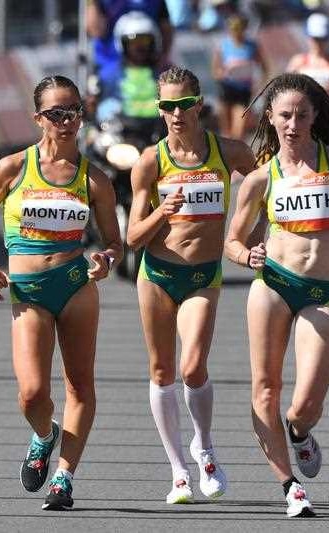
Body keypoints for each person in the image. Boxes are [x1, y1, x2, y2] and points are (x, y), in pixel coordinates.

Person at [224, 72, 329, 517]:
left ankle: (299, 431)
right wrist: (247, 256)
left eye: (300, 115)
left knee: (307, 400)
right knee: (266, 388)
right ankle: (289, 485)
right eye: (284, 116)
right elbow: (232, 241)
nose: (292, 124)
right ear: (271, 120)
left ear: (314, 116)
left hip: (321, 291)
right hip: (273, 284)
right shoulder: (260, 178)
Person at [0, 75, 122, 510]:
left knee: (80, 386)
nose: (67, 120)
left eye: (74, 111)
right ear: (39, 119)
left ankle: (64, 477)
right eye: (56, 113)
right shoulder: (13, 168)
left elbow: (114, 240)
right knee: (32, 393)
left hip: (75, 286)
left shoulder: (96, 179)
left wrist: (107, 258)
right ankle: (43, 435)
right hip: (30, 292)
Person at [126, 66, 256, 504]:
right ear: (159, 109)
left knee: (192, 367)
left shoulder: (228, 151)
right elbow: (132, 237)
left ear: (199, 104)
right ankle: (178, 470)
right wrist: (163, 211)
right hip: (158, 274)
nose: (176, 113)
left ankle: (204, 444)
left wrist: (249, 236)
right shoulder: (150, 160)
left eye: (184, 104)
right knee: (162, 371)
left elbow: (267, 188)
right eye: (168, 105)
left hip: (203, 274)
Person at [86, 0, 173, 96]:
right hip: (110, 66)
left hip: (150, 67)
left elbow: (166, 28)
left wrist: (163, 57)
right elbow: (95, 30)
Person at [212, 13, 266, 140]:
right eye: (233, 29)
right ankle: (227, 156)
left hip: (243, 91)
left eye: (239, 28)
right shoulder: (223, 46)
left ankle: (237, 154)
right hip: (227, 89)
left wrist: (258, 86)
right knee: (226, 134)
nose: (236, 32)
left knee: (239, 132)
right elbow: (215, 71)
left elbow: (264, 67)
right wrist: (224, 73)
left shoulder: (252, 46)